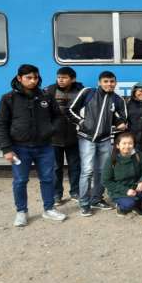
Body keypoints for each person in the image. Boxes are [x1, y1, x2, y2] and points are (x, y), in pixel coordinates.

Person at [0, 64, 66, 226]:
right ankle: (21, 212)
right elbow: (1, 124)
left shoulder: (46, 97)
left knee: (48, 178)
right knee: (20, 180)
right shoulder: (8, 98)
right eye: (29, 78)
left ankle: (49, 209)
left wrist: (51, 130)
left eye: (35, 78)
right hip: (19, 148)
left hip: (45, 146)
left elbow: (58, 116)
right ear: (19, 78)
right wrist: (6, 149)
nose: (33, 81)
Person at [68, 70, 127, 216]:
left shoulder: (118, 100)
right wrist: (82, 123)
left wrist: (119, 124)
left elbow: (122, 119)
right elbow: (70, 110)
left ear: (115, 83)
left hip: (106, 139)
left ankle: (97, 199)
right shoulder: (88, 93)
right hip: (86, 138)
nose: (109, 84)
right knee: (87, 171)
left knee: (103, 171)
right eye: (106, 81)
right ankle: (84, 203)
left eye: (112, 81)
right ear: (99, 82)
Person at [44, 66, 84, 204]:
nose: (60, 80)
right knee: (55, 167)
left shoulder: (81, 92)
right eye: (59, 77)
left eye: (64, 77)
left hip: (74, 137)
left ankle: (75, 192)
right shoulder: (49, 91)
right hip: (54, 137)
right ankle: (56, 195)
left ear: (72, 79)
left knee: (75, 166)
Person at [102, 132, 142, 216]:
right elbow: (106, 181)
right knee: (129, 203)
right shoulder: (112, 159)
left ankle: (137, 206)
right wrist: (126, 191)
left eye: (130, 143)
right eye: (124, 143)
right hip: (119, 190)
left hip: (136, 187)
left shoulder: (138, 155)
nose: (127, 146)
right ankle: (121, 207)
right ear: (118, 145)